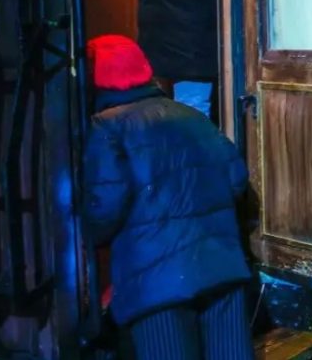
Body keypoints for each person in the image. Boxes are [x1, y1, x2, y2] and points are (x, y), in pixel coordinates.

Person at [83, 35, 253, 359]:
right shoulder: (191, 116)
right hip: (222, 269)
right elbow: (236, 179)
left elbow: (104, 209)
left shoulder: (106, 128)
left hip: (156, 283)